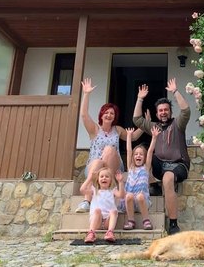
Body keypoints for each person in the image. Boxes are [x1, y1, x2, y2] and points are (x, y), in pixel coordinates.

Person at [75, 77, 144, 213]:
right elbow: (83, 115)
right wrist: (86, 94)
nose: (109, 115)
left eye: (112, 113)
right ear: (101, 115)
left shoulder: (117, 130)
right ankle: (88, 199)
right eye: (106, 112)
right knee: (97, 162)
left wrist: (145, 124)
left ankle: (90, 196)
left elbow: (134, 136)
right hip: (94, 167)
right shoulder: (94, 129)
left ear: (114, 117)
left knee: (109, 150)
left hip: (114, 167)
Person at [133, 78, 191, 235]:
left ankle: (173, 224)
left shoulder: (178, 124)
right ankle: (151, 185)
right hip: (160, 166)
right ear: (157, 113)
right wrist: (140, 98)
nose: (163, 112)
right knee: (145, 154)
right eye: (160, 110)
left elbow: (186, 111)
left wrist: (175, 91)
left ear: (170, 112)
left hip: (178, 165)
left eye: (166, 110)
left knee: (167, 178)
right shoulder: (153, 126)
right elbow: (137, 120)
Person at [118, 125, 160, 230]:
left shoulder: (146, 168)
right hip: (130, 201)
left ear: (144, 158)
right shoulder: (130, 167)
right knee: (129, 196)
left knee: (140, 196)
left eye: (141, 154)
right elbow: (128, 151)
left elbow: (150, 151)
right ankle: (131, 221)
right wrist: (128, 136)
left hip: (142, 200)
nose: (138, 156)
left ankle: (146, 220)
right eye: (136, 154)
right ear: (133, 157)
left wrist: (154, 138)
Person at [81, 166, 125, 243]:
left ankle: (110, 232)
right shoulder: (94, 190)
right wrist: (90, 178)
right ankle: (91, 233)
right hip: (96, 221)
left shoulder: (112, 190)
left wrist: (120, 182)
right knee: (97, 210)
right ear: (98, 180)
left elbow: (121, 195)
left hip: (107, 222)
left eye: (107, 177)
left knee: (114, 211)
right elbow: (82, 190)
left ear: (111, 180)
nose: (104, 178)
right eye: (101, 176)